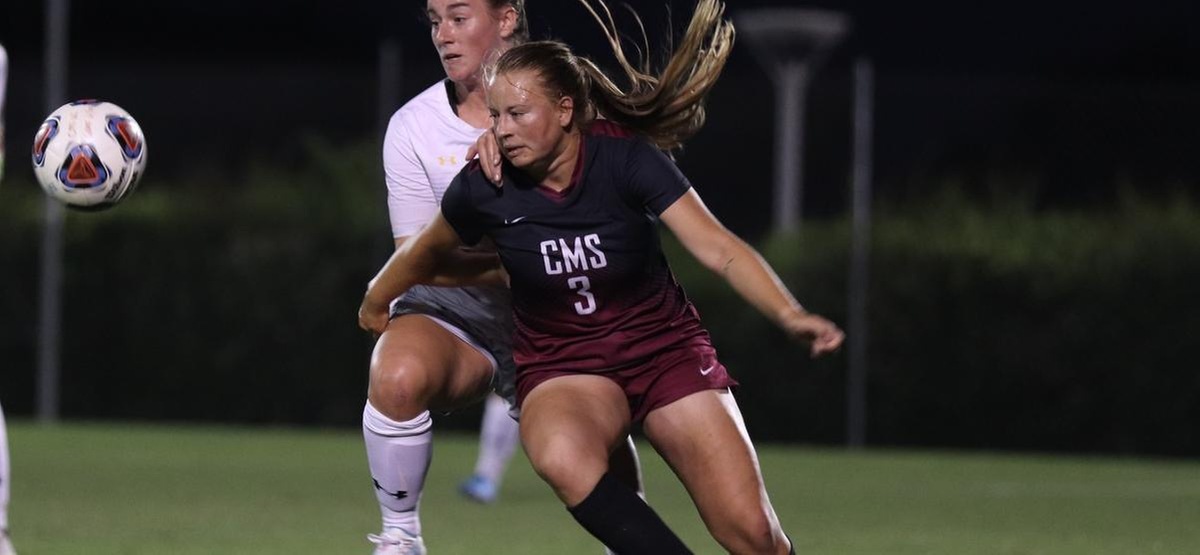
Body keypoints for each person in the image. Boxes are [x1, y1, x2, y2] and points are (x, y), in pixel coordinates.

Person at [359, 0, 845, 552]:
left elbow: (718, 247)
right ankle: (400, 537)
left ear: (566, 110)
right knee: (559, 452)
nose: (500, 131)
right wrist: (377, 298)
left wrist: (791, 314)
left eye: (517, 114)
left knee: (754, 534)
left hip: (663, 351)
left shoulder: (624, 159)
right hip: (565, 361)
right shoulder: (483, 183)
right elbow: (423, 251)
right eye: (495, 116)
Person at [362, 1, 642, 553]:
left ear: (508, 18)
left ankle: (630, 540)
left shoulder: (569, 110)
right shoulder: (413, 126)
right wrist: (518, 252)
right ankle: (400, 538)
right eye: (435, 19)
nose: (443, 34)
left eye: (459, 17)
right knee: (395, 375)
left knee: (588, 447)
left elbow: (612, 232)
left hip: (557, 318)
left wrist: (524, 248)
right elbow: (418, 259)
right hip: (457, 314)